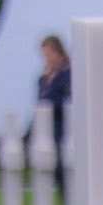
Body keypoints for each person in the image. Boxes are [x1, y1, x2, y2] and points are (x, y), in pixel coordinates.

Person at [34, 33, 72, 195]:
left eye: (48, 54)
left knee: (65, 174)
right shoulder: (42, 79)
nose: (46, 59)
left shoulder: (67, 76)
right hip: (48, 132)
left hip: (61, 130)